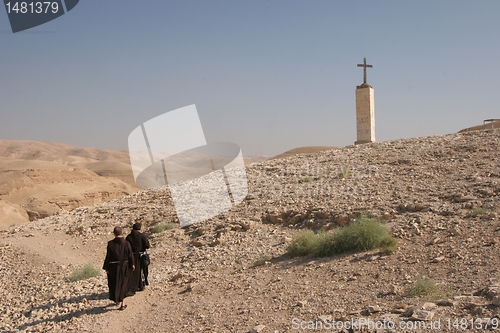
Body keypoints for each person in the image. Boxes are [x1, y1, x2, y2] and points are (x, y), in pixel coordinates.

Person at [103, 226, 135, 310]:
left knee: (114, 282)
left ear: (114, 233)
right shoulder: (126, 243)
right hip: (124, 266)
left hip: (113, 267)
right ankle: (122, 303)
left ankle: (116, 300)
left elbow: (108, 257)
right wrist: (132, 264)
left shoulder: (110, 244)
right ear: (121, 232)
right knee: (123, 283)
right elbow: (130, 254)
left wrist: (106, 267)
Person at [126, 222, 150, 293]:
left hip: (132, 257)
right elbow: (147, 245)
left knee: (134, 272)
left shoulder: (128, 237)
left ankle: (134, 286)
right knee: (142, 271)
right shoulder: (142, 236)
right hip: (141, 256)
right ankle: (142, 285)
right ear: (139, 229)